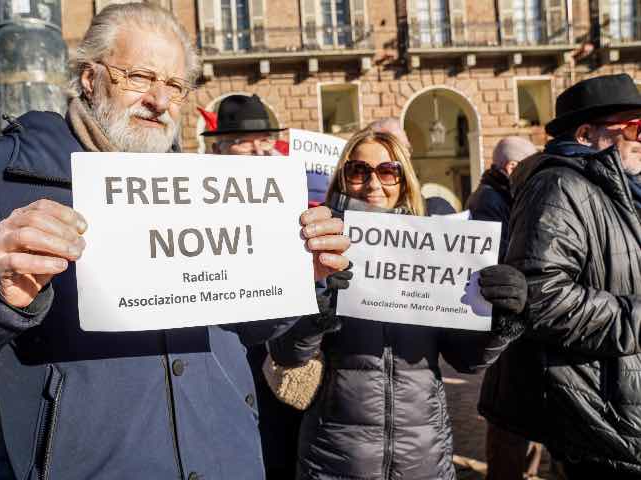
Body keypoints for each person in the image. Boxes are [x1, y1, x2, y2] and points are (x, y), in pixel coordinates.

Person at [0, 4, 350, 479]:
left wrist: (302, 276)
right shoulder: (5, 172)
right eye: (139, 76)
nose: (160, 100)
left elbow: (248, 329)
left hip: (228, 459)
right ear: (91, 78)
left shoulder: (209, 186)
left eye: (175, 86)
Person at [268, 128, 528, 480]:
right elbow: (287, 352)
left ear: (404, 179)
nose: (373, 183)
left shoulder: (437, 248)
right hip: (335, 458)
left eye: (387, 171)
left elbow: (466, 359)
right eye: (358, 171)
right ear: (342, 178)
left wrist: (501, 320)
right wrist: (319, 304)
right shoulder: (315, 246)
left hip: (423, 457)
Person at [478, 73, 641, 479]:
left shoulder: (619, 191)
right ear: (587, 134)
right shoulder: (559, 185)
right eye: (636, 128)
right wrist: (636, 319)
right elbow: (543, 297)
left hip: (616, 400)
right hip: (596, 414)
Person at [204, 93, 302, 480]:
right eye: (249, 142)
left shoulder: (287, 197)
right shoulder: (194, 202)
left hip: (279, 353)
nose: (262, 150)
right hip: (226, 355)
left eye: (266, 140)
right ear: (221, 148)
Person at [469, 137, 543, 480]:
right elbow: (503, 256)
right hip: (506, 319)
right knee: (510, 418)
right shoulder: (489, 201)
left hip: (519, 317)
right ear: (512, 168)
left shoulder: (506, 194)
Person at [467, 137, 537, 261]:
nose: (534, 176)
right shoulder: (488, 200)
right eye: (532, 169)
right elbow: (498, 256)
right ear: (512, 167)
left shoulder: (496, 194)